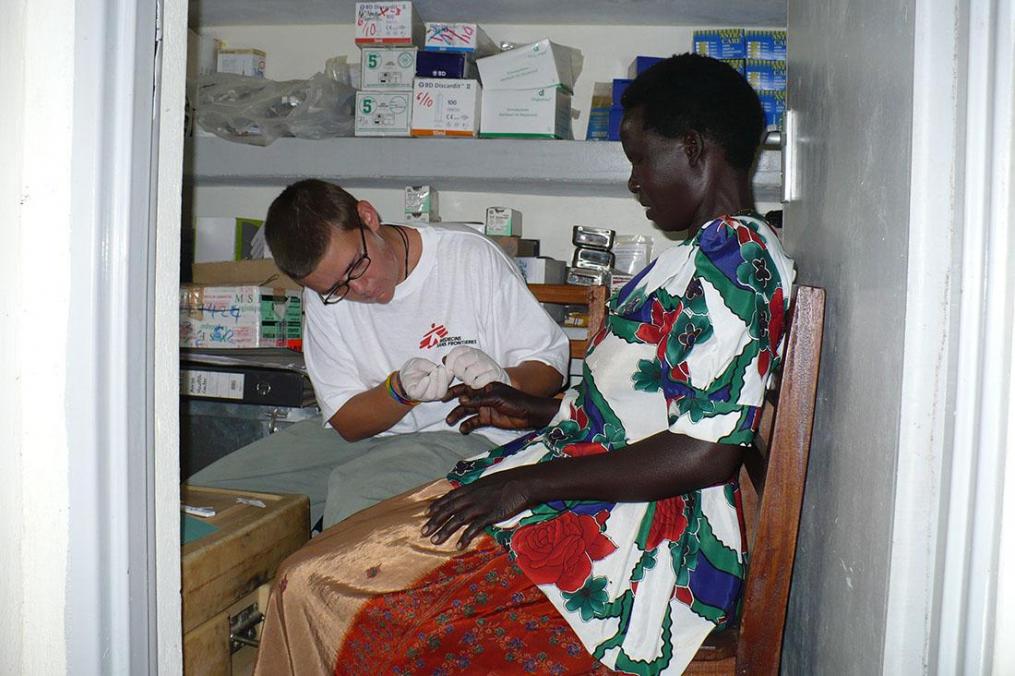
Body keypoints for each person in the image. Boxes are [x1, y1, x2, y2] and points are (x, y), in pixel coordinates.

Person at [252, 53, 796, 675]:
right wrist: (538, 407)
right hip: (585, 478)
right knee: (321, 573)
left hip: (640, 532)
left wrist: (523, 485)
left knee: (321, 589)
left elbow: (707, 451)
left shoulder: (736, 259)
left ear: (694, 148)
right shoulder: (695, 257)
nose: (633, 182)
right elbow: (642, 409)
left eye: (640, 160)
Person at [188, 180, 570, 528]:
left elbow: (550, 366)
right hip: (375, 436)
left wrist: (507, 381)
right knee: (208, 496)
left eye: (356, 266)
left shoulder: (467, 257)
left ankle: (322, 599)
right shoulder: (323, 299)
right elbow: (347, 422)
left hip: (472, 433)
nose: (361, 289)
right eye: (338, 288)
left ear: (367, 218)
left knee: (355, 493)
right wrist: (399, 392)